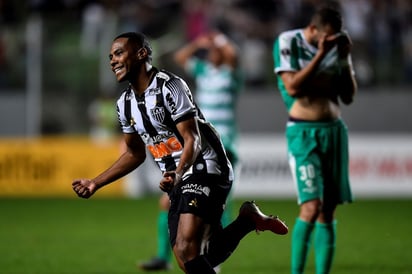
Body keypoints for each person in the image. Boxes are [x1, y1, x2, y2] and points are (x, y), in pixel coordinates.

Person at [72, 31, 288, 274]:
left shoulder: (170, 86)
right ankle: (246, 221)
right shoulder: (124, 104)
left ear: (142, 53)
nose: (112, 60)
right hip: (178, 176)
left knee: (187, 248)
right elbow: (135, 153)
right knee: (189, 260)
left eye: (119, 53)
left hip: (205, 165)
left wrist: (177, 173)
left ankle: (245, 222)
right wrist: (95, 183)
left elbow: (192, 139)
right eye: (110, 56)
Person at [139, 30, 243, 271]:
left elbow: (233, 56)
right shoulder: (204, 71)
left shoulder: (231, 74)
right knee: (169, 202)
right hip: (199, 145)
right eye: (211, 51)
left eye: (217, 51)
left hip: (225, 145)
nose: (214, 53)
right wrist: (199, 43)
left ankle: (212, 259)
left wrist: (220, 40)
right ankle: (164, 257)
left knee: (219, 204)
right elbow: (180, 57)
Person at [272, 5, 357, 274]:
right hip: (303, 133)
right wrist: (321, 55)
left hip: (333, 130)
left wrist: (343, 59)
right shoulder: (289, 41)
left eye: (333, 37)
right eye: (325, 38)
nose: (329, 42)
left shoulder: (337, 47)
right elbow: (294, 87)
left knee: (328, 210)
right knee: (311, 206)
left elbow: (348, 96)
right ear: (312, 30)